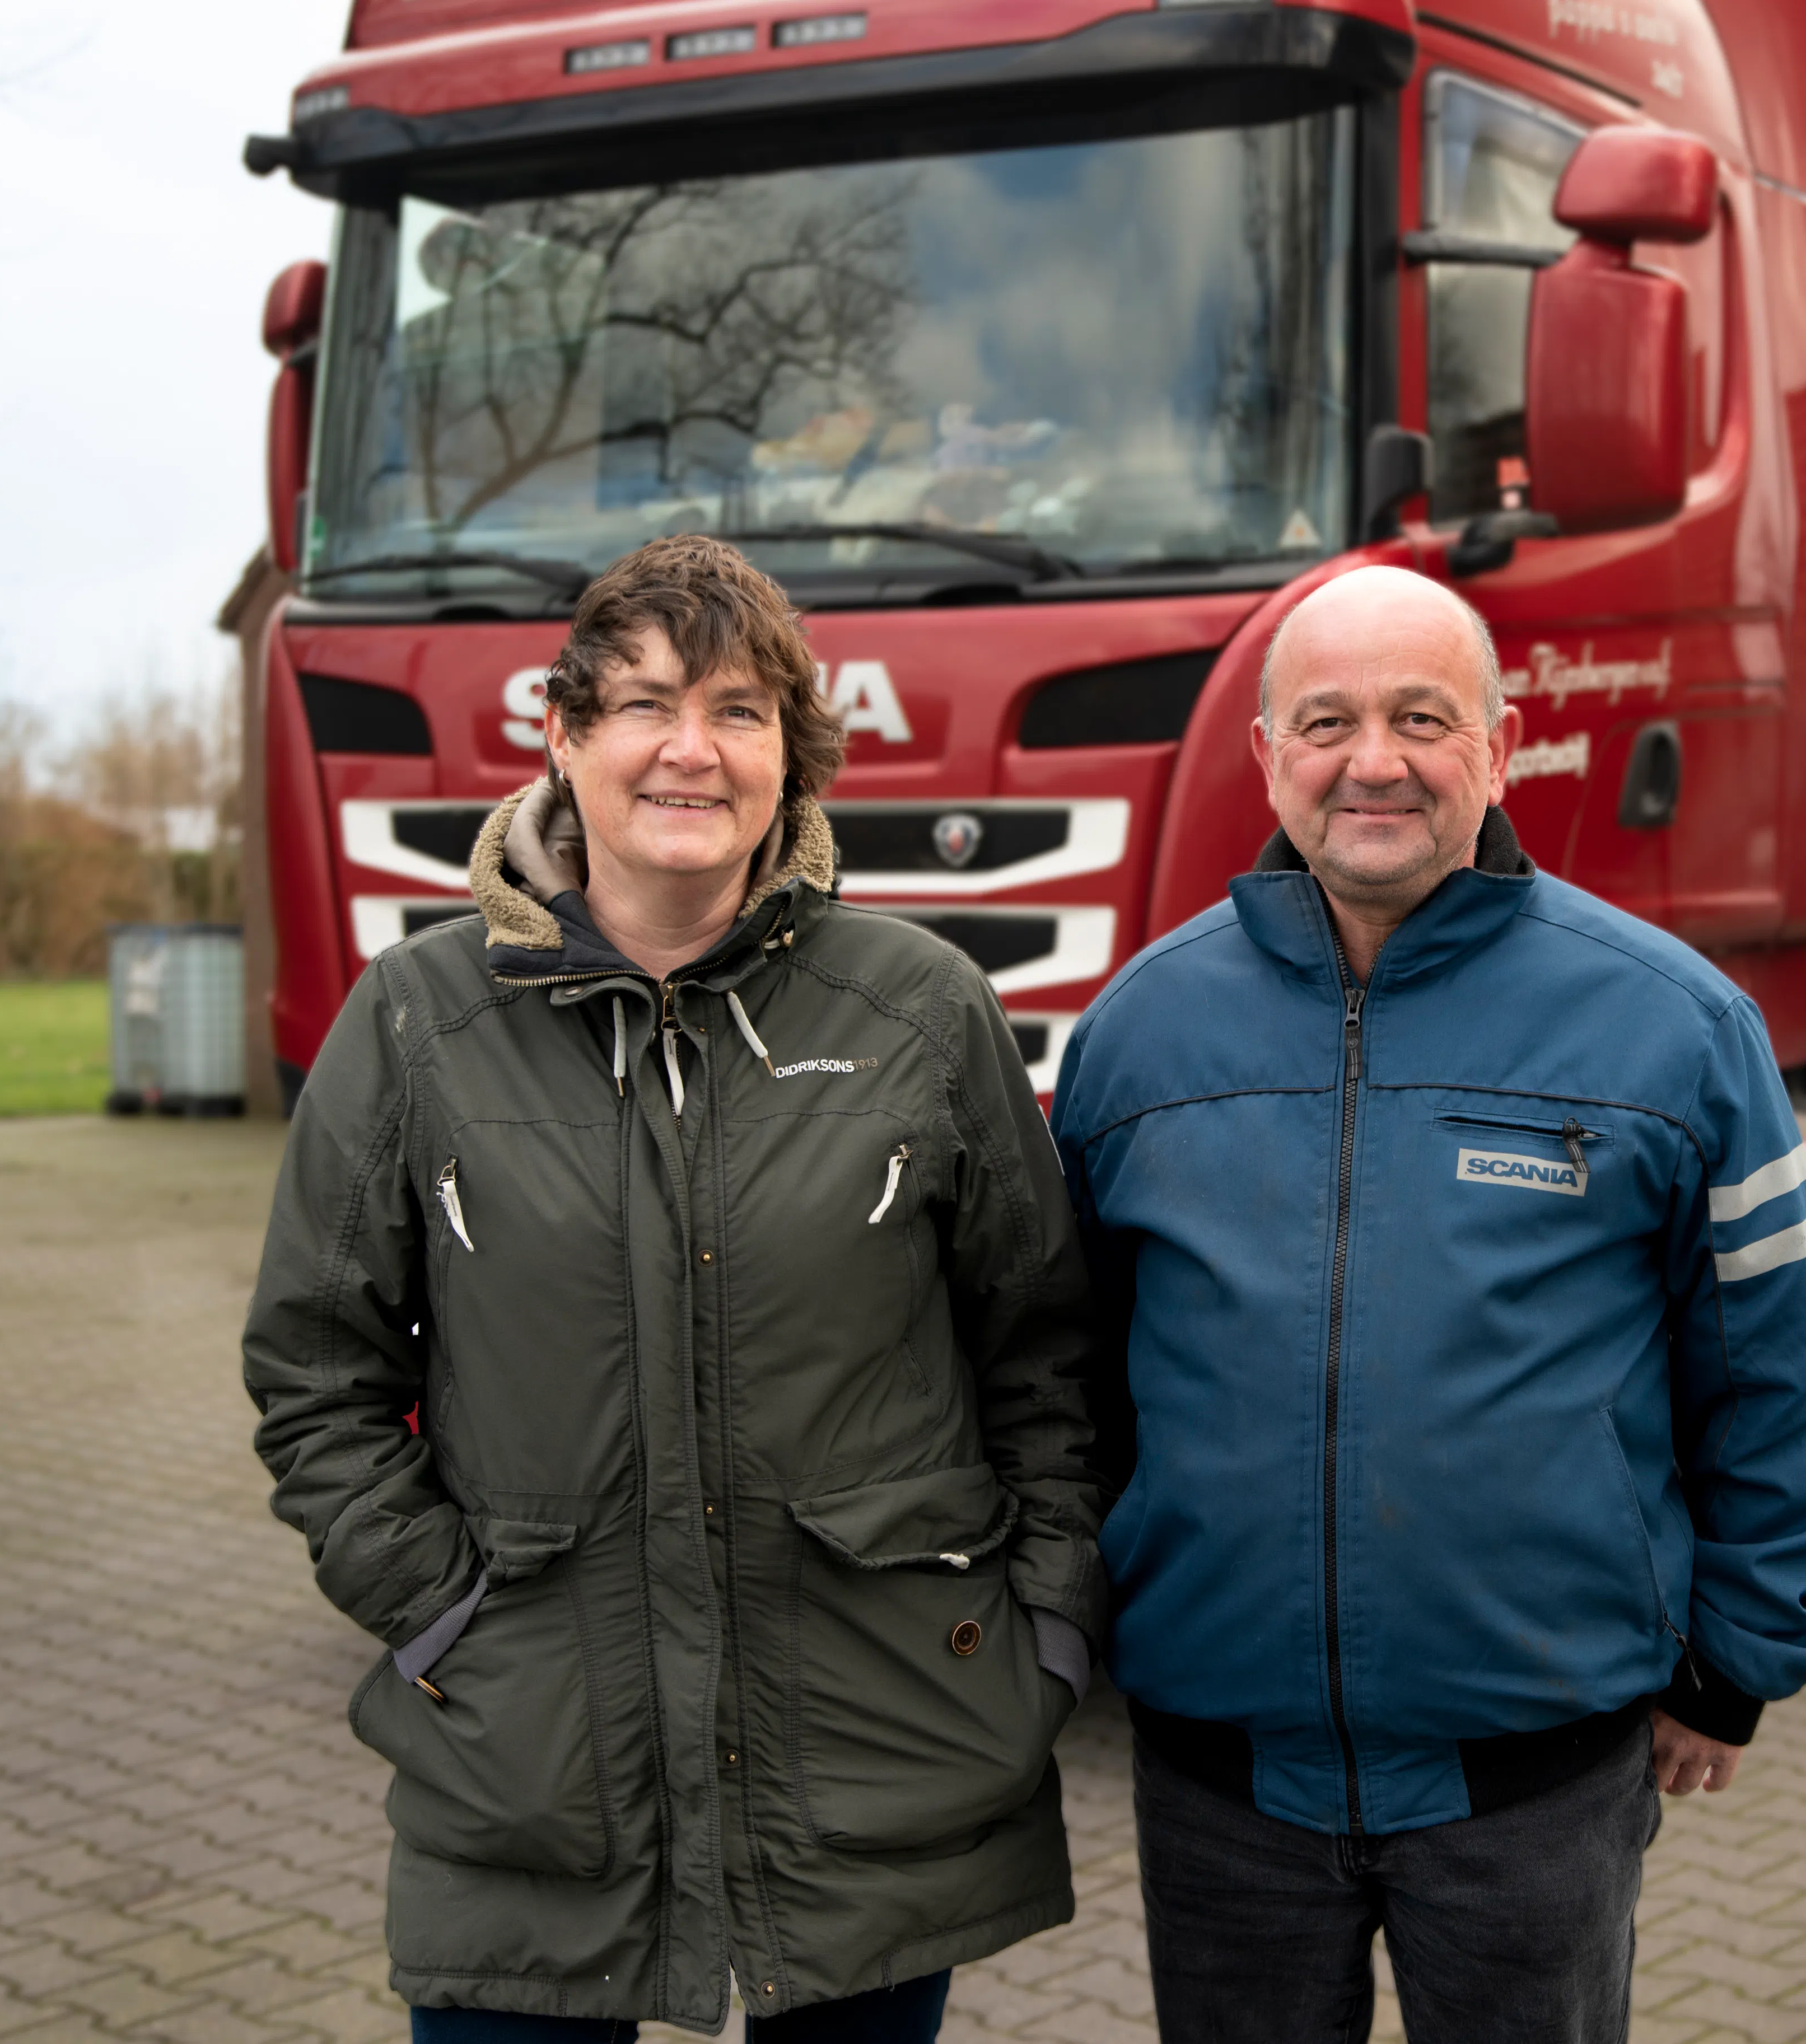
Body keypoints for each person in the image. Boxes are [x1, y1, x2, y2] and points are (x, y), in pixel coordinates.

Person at [242, 535, 1104, 2042]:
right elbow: (314, 1368)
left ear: (793, 760)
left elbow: (1046, 1358)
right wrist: (437, 1611)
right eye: (644, 705)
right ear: (567, 737)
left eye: (741, 712)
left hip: (875, 1754)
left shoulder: (921, 1010)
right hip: (528, 1761)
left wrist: (1045, 1633)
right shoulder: (416, 1023)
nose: (690, 751)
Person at [1051, 565, 1806, 2043]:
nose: (1374, 760)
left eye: (1421, 717)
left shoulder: (1671, 1027)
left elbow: (1785, 1370)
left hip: (1534, 1789)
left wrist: (1742, 1661)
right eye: (1330, 720)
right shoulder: (1139, 1038)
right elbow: (1069, 1380)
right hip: (1222, 1785)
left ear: (1498, 743)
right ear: (1266, 753)